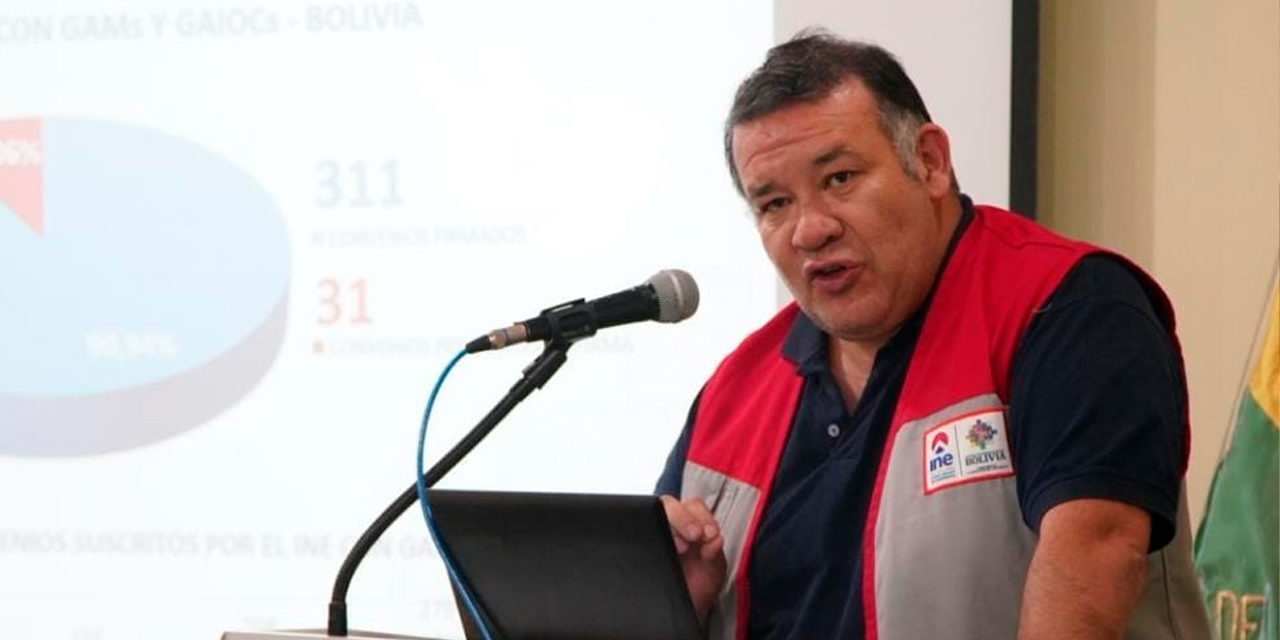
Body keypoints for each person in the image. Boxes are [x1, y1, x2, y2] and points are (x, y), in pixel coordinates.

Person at [655, 31, 1212, 640]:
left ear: (929, 161)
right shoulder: (736, 390)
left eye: (840, 178)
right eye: (774, 204)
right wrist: (678, 604)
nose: (809, 230)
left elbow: (1096, 555)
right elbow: (659, 597)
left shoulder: (1067, 308)